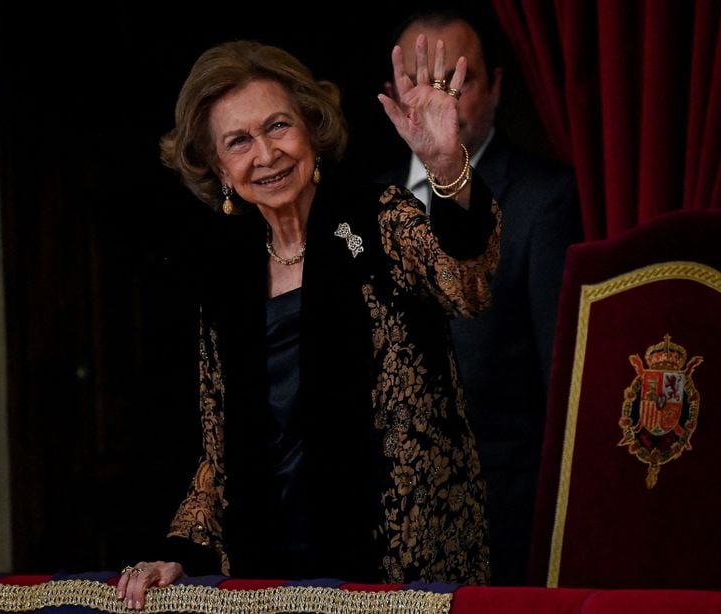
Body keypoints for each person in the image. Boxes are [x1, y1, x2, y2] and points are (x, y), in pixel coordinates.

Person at [116, 37, 500, 608]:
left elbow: (466, 285)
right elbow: (218, 456)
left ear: (312, 129)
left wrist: (446, 165)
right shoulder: (227, 281)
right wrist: (181, 553)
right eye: (238, 142)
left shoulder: (378, 220)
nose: (265, 154)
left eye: (278, 127)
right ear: (219, 167)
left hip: (398, 570)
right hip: (271, 573)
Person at [380, 8, 582, 586]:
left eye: (455, 81)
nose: (435, 100)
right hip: (386, 516)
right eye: (419, 81)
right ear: (394, 93)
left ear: (495, 88)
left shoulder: (544, 198)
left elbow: (559, 377)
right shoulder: (361, 207)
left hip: (500, 512)